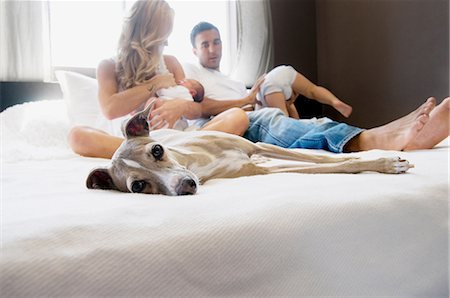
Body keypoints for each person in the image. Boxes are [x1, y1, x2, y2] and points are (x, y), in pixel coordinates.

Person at [184, 21, 449, 153]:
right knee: (273, 121)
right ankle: (376, 141)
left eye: (216, 42)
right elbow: (198, 109)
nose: (212, 49)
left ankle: (389, 131)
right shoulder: (191, 73)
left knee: (306, 122)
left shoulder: (232, 81)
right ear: (194, 50)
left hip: (254, 116)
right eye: (205, 44)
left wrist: (273, 102)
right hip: (230, 123)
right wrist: (248, 100)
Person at [68, 0, 260, 159]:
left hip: (178, 137)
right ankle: (164, 155)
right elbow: (110, 109)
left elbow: (196, 109)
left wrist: (179, 107)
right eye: (161, 38)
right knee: (76, 136)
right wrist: (155, 84)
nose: (166, 43)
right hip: (131, 141)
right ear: (145, 35)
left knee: (237, 116)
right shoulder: (108, 67)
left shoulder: (170, 62)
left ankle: (160, 156)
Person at [255, 64, 353, 119]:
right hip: (282, 71)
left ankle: (334, 101)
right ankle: (334, 101)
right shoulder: (287, 101)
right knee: (312, 90)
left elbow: (290, 123)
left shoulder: (259, 111)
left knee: (282, 120)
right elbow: (296, 119)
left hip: (269, 85)